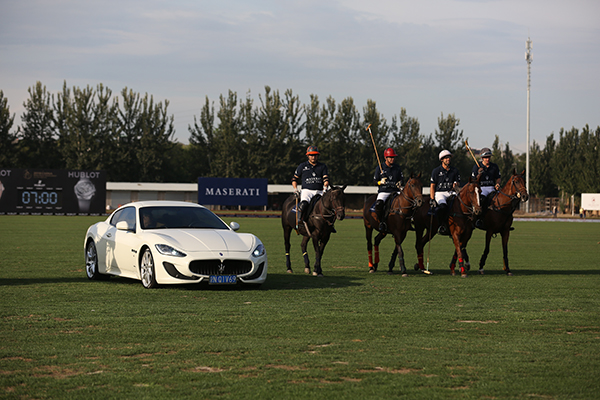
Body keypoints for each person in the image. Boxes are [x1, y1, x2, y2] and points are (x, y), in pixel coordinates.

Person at [292, 145, 330, 226]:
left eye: (315, 155)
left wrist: (325, 187)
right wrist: (295, 189)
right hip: (307, 191)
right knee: (303, 204)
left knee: (327, 206)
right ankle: (299, 221)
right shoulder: (302, 166)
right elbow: (294, 179)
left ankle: (330, 224)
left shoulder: (322, 166)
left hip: (319, 191)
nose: (313, 157)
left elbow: (326, 179)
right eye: (311, 155)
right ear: (308, 155)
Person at [373, 147, 404, 231]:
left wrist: (400, 182)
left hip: (395, 191)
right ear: (386, 158)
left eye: (393, 157)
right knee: (379, 204)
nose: (392, 159)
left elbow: (401, 179)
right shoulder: (380, 168)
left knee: (407, 202)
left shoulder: (397, 168)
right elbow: (375, 182)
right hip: (384, 191)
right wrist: (380, 182)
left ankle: (408, 221)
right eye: (390, 157)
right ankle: (382, 222)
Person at [430, 150, 460, 235]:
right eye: (446, 158)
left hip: (451, 192)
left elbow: (458, 182)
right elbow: (432, 186)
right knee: (443, 207)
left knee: (461, 204)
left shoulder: (454, 170)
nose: (448, 159)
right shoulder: (436, 171)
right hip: (440, 193)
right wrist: (432, 199)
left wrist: (456, 184)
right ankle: (442, 225)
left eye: (449, 157)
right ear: (442, 159)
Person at [471, 147, 501, 229]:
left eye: (489, 157)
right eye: (486, 157)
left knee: (500, 201)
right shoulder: (476, 167)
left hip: (492, 187)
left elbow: (498, 177)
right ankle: (479, 219)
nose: (487, 159)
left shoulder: (494, 166)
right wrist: (479, 174)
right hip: (482, 188)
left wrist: (497, 184)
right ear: (482, 158)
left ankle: (503, 220)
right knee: (482, 201)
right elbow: (473, 181)